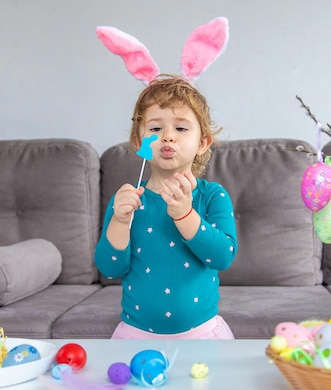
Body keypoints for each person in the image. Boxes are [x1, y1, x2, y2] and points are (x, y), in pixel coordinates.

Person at [94, 74, 238, 339]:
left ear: (202, 144)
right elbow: (110, 268)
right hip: (135, 334)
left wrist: (185, 214)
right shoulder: (126, 201)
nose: (168, 137)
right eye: (156, 129)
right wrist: (120, 221)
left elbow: (223, 256)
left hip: (202, 334)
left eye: (181, 129)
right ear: (140, 143)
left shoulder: (213, 196)